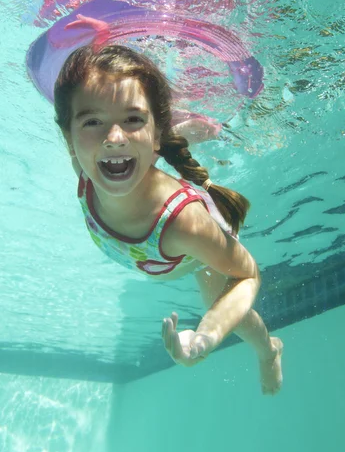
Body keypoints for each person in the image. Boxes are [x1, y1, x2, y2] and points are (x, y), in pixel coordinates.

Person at [54, 43, 283, 394]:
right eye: (93, 121)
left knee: (219, 305)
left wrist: (207, 336)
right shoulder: (85, 169)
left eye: (133, 119)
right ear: (69, 139)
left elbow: (248, 274)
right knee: (133, 157)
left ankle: (268, 350)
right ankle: (173, 132)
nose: (113, 138)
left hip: (196, 253)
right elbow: (123, 147)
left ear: (155, 133)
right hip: (154, 164)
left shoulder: (185, 224)